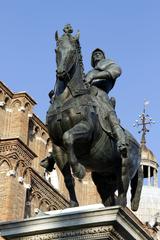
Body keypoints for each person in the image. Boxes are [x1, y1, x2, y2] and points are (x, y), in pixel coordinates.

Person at [85, 48, 127, 155]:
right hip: (87, 95)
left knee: (110, 116)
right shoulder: (87, 73)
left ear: (104, 57)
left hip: (101, 96)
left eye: (99, 54)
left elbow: (116, 71)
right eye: (94, 54)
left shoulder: (110, 65)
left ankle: (121, 141)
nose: (97, 55)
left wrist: (94, 76)